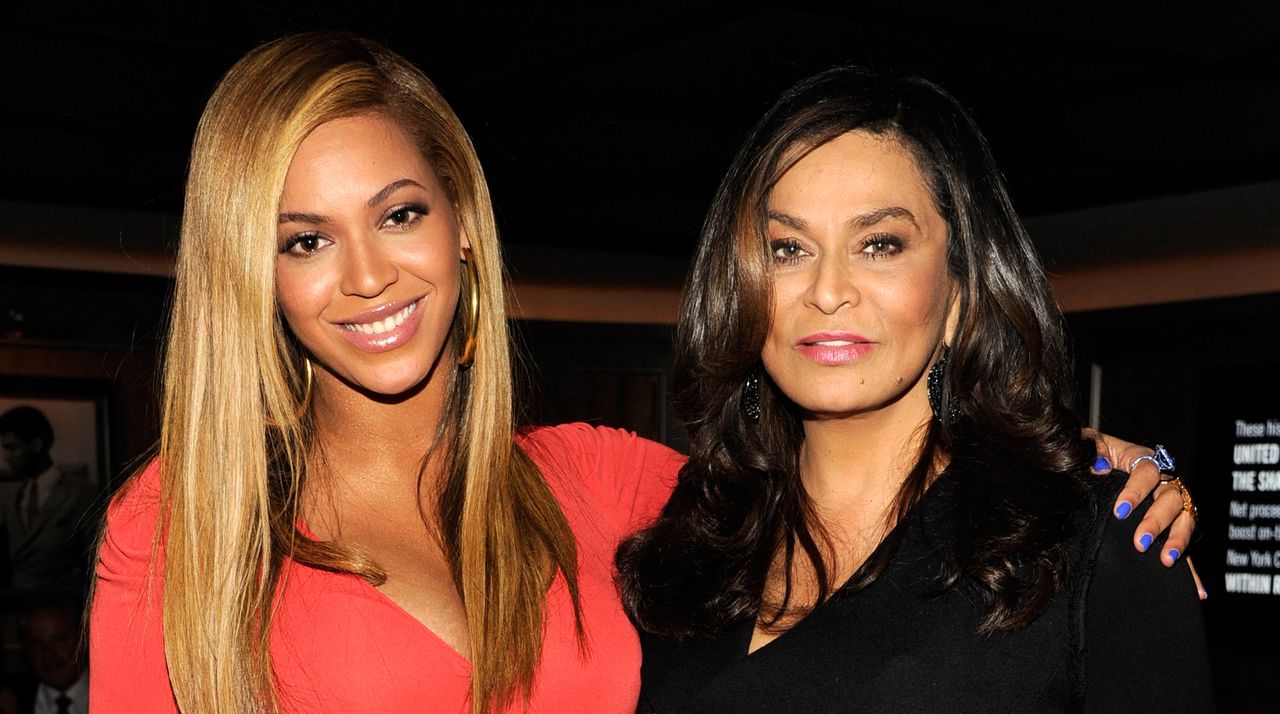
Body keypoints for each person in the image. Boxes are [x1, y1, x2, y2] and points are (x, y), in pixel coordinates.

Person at [90, 33, 1194, 713]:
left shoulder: (600, 486)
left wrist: (1077, 467)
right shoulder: (185, 523)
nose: (369, 275)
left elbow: (850, 503)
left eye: (400, 214)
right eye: (303, 239)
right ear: (255, 273)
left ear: (461, 227)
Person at [618, 66, 1213, 712]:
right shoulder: (689, 537)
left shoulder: (1088, 552)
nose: (827, 289)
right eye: (788, 249)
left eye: (879, 244)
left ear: (959, 289)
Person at [0, 406, 95, 592]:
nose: (6, 457)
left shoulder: (80, 492)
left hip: (63, 608)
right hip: (16, 608)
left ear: (36, 445)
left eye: (13, 448)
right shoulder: (11, 495)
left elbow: (91, 558)